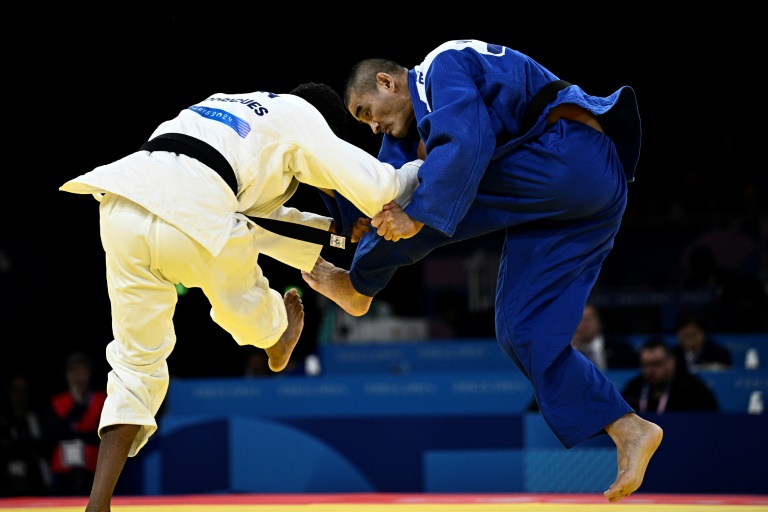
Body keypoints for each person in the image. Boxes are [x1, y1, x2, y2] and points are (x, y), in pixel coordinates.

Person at [301, 39, 662, 502]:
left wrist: (413, 217)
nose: (371, 127)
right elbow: (382, 191)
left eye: (366, 110)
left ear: (388, 82)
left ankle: (358, 288)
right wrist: (353, 217)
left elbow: (467, 143)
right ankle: (628, 427)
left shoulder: (439, 67)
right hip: (576, 203)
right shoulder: (403, 133)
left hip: (570, 156)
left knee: (418, 205)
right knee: (522, 329)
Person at [59, 82, 422, 511]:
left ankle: (98, 503)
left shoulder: (223, 106)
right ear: (326, 124)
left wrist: (336, 235)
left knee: (135, 361)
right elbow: (379, 188)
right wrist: (430, 165)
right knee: (242, 300)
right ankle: (276, 336)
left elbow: (252, 216)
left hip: (124, 200)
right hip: (197, 210)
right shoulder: (300, 116)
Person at [43, 352, 106, 496]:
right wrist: (77, 407)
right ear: (66, 374)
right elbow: (52, 436)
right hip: (62, 473)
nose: (78, 375)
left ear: (89, 373)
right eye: (73, 370)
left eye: (82, 369)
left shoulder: (101, 399)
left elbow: (102, 436)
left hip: (94, 472)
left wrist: (71, 434)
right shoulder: (56, 402)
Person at [621, 337, 719, 413]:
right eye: (645, 365)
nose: (650, 370)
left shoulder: (694, 390)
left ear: (671, 362)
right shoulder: (633, 389)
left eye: (657, 364)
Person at [0, 373, 50, 496]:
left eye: (23, 390)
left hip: (35, 484)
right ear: (9, 392)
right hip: (6, 484)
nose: (19, 395)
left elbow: (42, 448)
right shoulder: (3, 420)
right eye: (16, 390)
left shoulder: (37, 417)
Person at [571, 303, 639, 371]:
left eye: (588, 319)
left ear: (599, 322)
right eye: (580, 319)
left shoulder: (621, 348)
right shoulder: (568, 352)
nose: (584, 324)